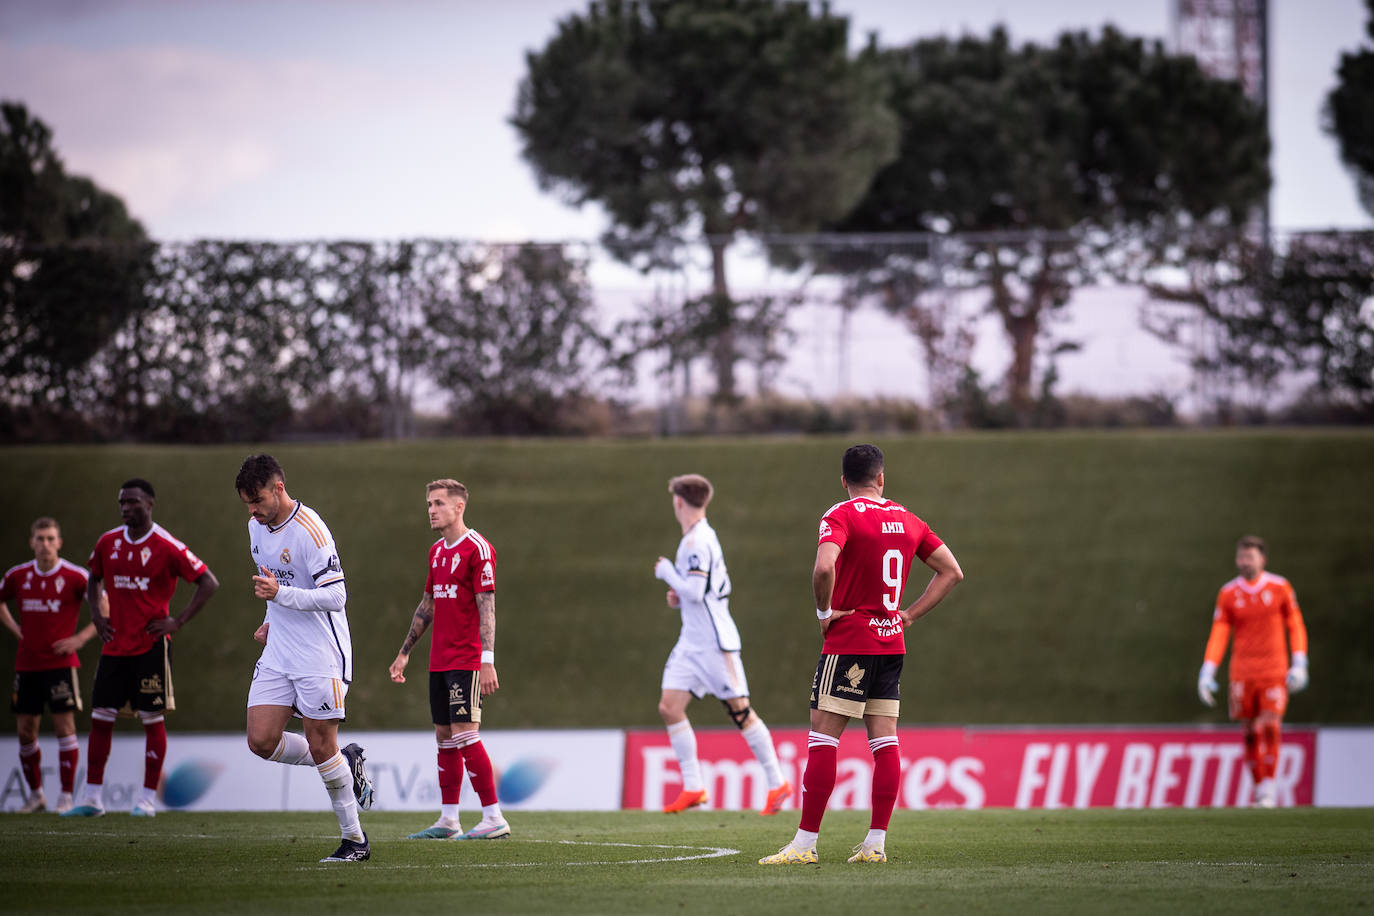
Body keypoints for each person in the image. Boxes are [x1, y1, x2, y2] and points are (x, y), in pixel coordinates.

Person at [761, 444, 963, 866]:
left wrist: (823, 613)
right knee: (885, 743)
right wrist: (906, 615)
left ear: (843, 481)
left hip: (850, 639)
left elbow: (823, 567)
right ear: (882, 478)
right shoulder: (909, 519)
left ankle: (803, 845)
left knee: (822, 740)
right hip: (891, 643)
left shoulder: (841, 514)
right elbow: (951, 571)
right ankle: (875, 844)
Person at [236, 454, 374, 862]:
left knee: (319, 743)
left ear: (278, 488)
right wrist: (268, 618)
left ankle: (355, 841)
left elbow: (336, 596)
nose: (253, 511)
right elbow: (272, 582)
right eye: (247, 504)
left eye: (257, 500)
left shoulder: (310, 531)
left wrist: (280, 598)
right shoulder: (255, 528)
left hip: (320, 653)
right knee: (260, 739)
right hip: (279, 650)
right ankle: (343, 764)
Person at [64, 479, 220, 818]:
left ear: (149, 504)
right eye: (121, 502)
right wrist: (96, 615)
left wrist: (177, 621)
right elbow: (93, 578)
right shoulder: (108, 542)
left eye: (132, 501)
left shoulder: (166, 545)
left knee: (152, 719)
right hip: (114, 646)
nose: (124, 507)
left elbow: (208, 581)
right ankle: (92, 798)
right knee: (100, 719)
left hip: (151, 646)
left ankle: (147, 800)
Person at [650, 474, 792, 816]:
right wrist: (679, 596)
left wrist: (668, 573)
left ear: (679, 502)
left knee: (739, 711)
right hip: (692, 641)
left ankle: (777, 783)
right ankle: (694, 786)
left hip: (714, 643)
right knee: (669, 707)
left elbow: (698, 591)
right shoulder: (697, 538)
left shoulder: (697, 541)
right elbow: (701, 592)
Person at [389, 479, 510, 841]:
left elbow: (486, 607)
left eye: (438, 503)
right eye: (429, 503)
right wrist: (404, 652)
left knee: (464, 733)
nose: (431, 509)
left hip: (467, 658)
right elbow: (428, 604)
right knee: (444, 735)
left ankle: (493, 817)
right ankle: (449, 820)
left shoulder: (478, 549)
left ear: (459, 507)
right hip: (439, 660)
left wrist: (487, 659)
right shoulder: (437, 552)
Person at [1196, 535, 1309, 808]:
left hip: (1273, 670)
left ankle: (1269, 789)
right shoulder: (1228, 594)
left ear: (1262, 559)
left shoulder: (1280, 587)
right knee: (1248, 732)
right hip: (1242, 673)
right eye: (1241, 557)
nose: (1244, 562)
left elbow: (1295, 625)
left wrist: (1300, 663)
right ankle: (1260, 789)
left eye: (1250, 557)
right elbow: (1220, 633)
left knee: (1269, 725)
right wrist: (1207, 671)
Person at [0, 518, 98, 813]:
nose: (45, 543)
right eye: (40, 538)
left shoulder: (75, 576)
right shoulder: (18, 576)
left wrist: (79, 638)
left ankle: (66, 797)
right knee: (26, 731)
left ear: (59, 542)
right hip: (27, 664)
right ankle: (36, 796)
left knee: (64, 728)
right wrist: (15, 628)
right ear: (32, 542)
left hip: (60, 665)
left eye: (50, 538)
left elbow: (103, 607)